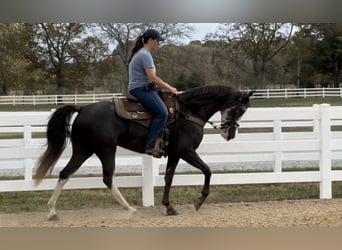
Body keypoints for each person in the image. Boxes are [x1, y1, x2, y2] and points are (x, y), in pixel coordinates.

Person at [128, 29, 177, 158]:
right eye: (157, 41)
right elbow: (153, 77)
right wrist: (169, 87)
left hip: (145, 87)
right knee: (162, 113)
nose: (159, 43)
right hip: (140, 89)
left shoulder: (142, 53)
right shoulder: (145, 55)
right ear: (150, 40)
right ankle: (151, 146)